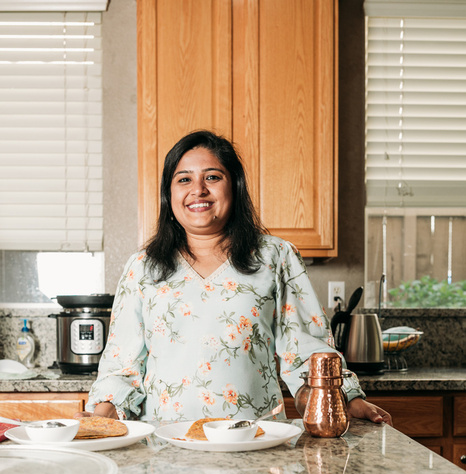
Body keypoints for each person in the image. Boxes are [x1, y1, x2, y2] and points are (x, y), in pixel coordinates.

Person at [79, 130, 392, 426]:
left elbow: (307, 351)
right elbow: (122, 368)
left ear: (235, 186)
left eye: (212, 177)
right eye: (184, 179)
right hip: (167, 450)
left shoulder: (276, 256)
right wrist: (99, 420)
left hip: (256, 445)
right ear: (169, 193)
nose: (198, 189)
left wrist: (343, 399)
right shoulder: (143, 267)